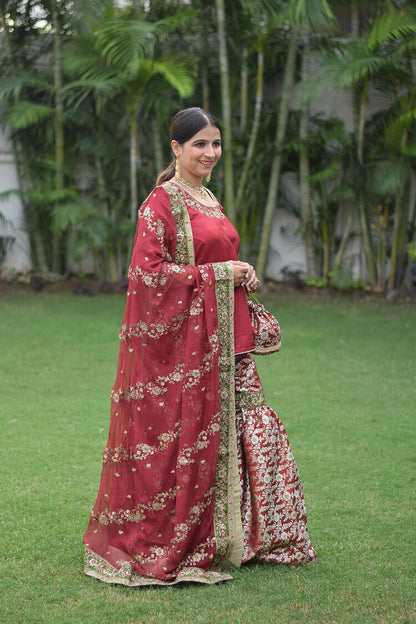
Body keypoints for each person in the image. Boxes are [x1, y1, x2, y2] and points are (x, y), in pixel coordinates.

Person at [83, 107, 316, 586]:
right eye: (199, 145)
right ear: (176, 149)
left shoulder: (207, 197)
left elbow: (219, 254)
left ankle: (250, 538)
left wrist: (240, 270)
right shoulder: (161, 203)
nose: (210, 153)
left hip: (230, 340)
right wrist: (220, 274)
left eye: (215, 144)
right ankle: (193, 539)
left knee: (249, 428)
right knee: (197, 436)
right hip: (191, 349)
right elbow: (147, 276)